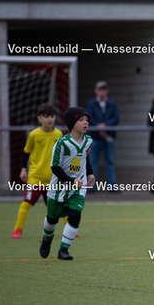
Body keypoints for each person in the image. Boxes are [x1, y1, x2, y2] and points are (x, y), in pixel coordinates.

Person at [39, 107, 94, 260]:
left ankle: (63, 249)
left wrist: (90, 173)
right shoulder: (62, 143)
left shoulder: (88, 141)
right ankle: (47, 239)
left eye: (87, 120)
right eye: (81, 120)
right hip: (59, 187)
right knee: (52, 219)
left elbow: (85, 158)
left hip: (78, 186)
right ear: (71, 123)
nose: (85, 123)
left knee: (75, 216)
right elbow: (55, 167)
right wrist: (70, 181)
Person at [12, 103, 63, 239]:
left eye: (52, 116)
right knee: (26, 203)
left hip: (53, 179)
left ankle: (71, 229)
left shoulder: (58, 134)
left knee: (59, 203)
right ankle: (17, 230)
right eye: (46, 116)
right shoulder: (34, 135)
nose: (49, 119)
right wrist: (23, 169)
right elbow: (26, 152)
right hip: (36, 178)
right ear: (39, 118)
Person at [86, 81, 119, 188]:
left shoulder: (112, 103)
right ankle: (92, 186)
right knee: (93, 161)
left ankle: (112, 185)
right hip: (95, 136)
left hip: (109, 136)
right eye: (100, 89)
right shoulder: (91, 103)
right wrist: (98, 127)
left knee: (110, 161)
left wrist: (105, 126)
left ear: (107, 91)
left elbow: (116, 118)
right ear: (96, 91)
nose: (102, 91)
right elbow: (88, 118)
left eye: (104, 89)